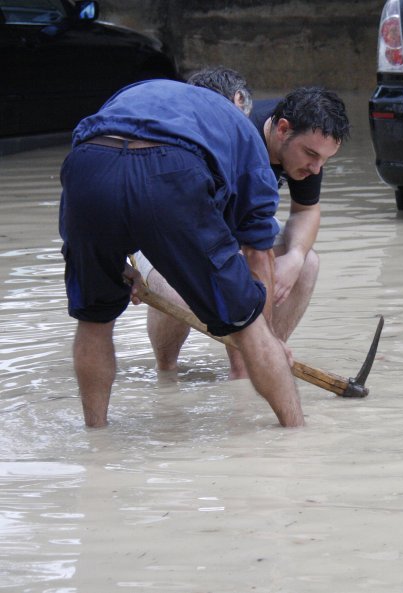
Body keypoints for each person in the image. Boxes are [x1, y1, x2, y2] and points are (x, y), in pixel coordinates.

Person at [59, 78, 304, 427]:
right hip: (170, 172)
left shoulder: (139, 91)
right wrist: (263, 332)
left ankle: (96, 438)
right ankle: (297, 435)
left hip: (89, 165)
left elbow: (101, 168)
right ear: (237, 100)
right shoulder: (241, 127)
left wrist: (113, 260)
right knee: (249, 325)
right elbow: (258, 252)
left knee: (94, 318)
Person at [135, 70, 350, 379]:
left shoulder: (305, 143)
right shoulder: (228, 132)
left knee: (307, 264)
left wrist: (295, 257)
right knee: (178, 291)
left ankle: (257, 365)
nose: (316, 168)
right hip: (170, 227)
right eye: (311, 155)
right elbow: (216, 243)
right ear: (282, 130)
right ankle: (167, 372)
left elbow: (306, 211)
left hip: (237, 227)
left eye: (324, 160)